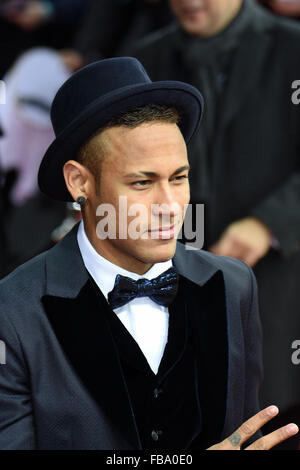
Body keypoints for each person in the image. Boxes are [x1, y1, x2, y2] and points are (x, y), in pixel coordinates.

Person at [0, 57, 298, 450]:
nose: (171, 206)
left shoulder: (232, 284)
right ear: (79, 182)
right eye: (142, 183)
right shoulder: (12, 312)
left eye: (179, 177)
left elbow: (242, 434)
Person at [129, 0, 300, 432]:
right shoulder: (145, 60)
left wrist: (269, 223)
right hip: (177, 285)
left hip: (281, 287)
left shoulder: (291, 49)